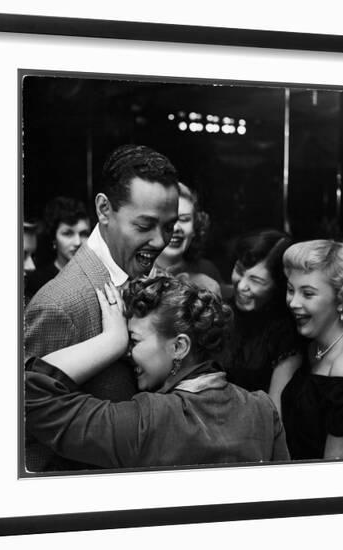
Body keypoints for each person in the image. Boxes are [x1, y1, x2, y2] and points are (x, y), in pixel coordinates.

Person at [24, 144, 179, 471]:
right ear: (104, 209)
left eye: (168, 227)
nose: (160, 240)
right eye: (144, 225)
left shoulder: (160, 281)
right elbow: (29, 439)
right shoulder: (60, 304)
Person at [25, 276, 290, 468]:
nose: (127, 353)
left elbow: (31, 393)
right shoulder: (263, 410)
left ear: (179, 347)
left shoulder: (150, 421)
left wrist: (111, 341)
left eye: (134, 341)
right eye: (125, 342)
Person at [281, 239, 343, 460]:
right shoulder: (313, 345)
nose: (293, 302)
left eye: (308, 294)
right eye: (291, 290)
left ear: (341, 300)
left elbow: (337, 467)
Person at [225, 230, 303, 417]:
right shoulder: (221, 311)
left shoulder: (286, 332)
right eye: (239, 271)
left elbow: (273, 413)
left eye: (256, 280)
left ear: (278, 287)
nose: (242, 285)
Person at [153, 182, 222, 296]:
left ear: (195, 227)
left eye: (184, 219)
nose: (176, 228)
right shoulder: (130, 271)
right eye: (168, 219)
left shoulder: (208, 273)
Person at [25, 196, 91, 302]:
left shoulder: (95, 276)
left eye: (84, 234)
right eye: (68, 234)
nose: (78, 242)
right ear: (54, 238)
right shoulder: (37, 282)